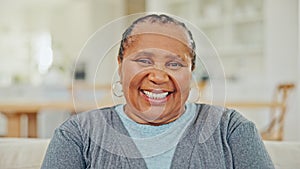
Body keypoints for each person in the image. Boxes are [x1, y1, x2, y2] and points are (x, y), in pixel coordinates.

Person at [41, 14, 274, 169]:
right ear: (120, 65)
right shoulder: (78, 135)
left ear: (191, 72)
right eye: (143, 60)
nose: (159, 76)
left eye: (175, 64)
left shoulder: (231, 130)